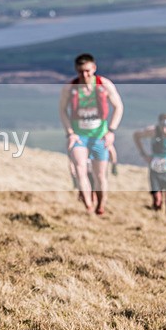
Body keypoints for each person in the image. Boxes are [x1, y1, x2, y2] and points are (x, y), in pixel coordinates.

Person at [59, 53, 123, 215]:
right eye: (81, 71)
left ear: (94, 68)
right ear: (76, 70)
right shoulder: (70, 88)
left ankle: (100, 206)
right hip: (79, 137)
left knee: (100, 175)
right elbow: (62, 110)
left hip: (100, 137)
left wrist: (111, 131)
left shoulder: (104, 85)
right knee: (80, 170)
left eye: (87, 71)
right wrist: (70, 133)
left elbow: (119, 107)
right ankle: (88, 206)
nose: (84, 75)